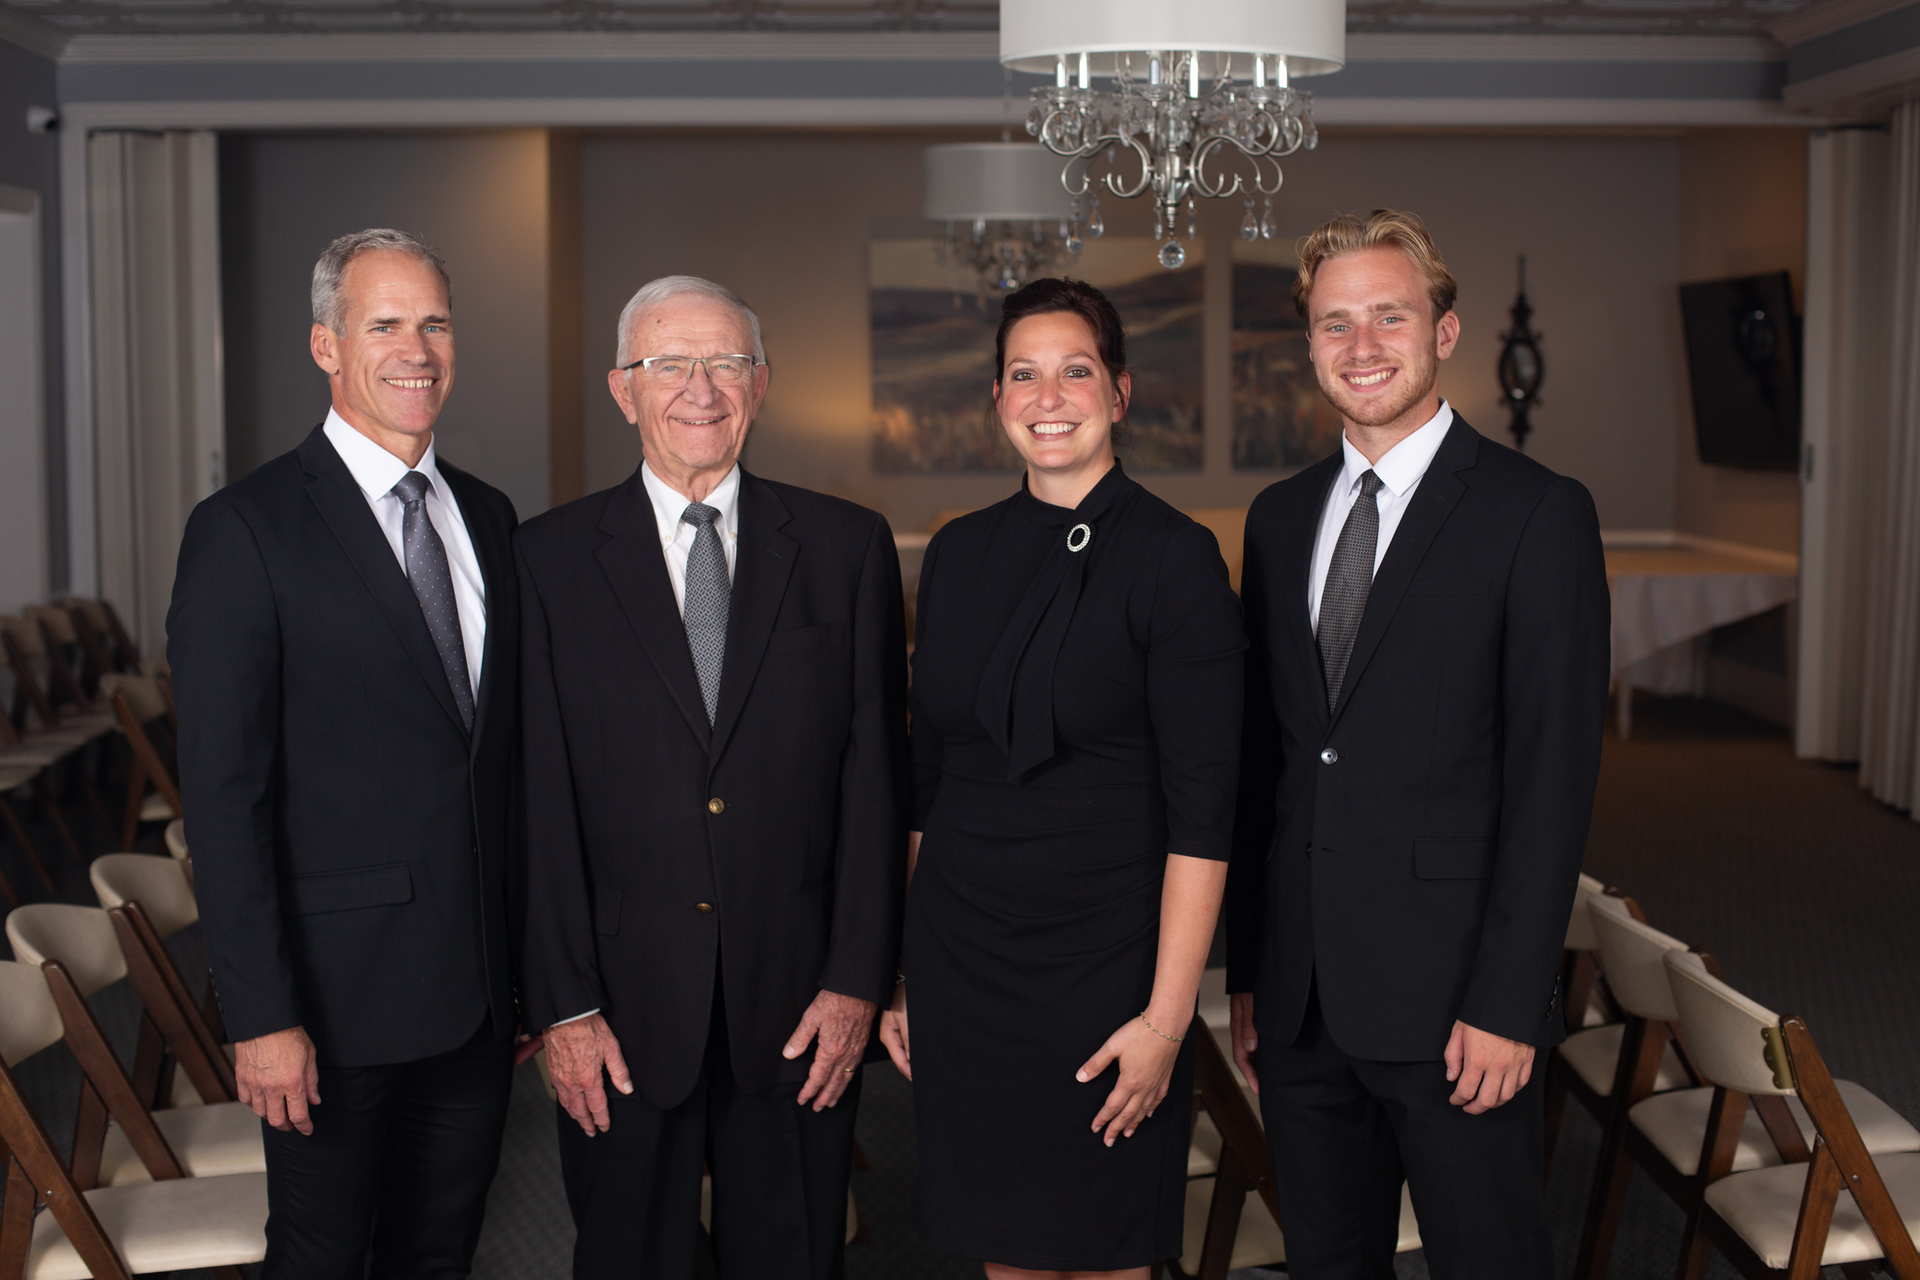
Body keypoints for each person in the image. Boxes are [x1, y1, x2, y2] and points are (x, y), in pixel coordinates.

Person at [1227, 209, 1611, 1279]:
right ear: (1307, 344)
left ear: (1445, 331)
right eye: (1333, 323)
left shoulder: (1538, 515)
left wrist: (1506, 999)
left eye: (1388, 315)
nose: (1361, 346)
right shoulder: (1277, 515)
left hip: (1456, 1005)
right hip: (1301, 1003)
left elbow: (1552, 780)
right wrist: (1253, 971)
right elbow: (1274, 767)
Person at [516, 275, 909, 1280]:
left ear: (762, 383)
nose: (699, 387)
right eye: (668, 364)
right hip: (618, 1009)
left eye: (725, 363)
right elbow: (537, 800)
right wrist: (562, 1004)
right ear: (622, 388)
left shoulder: (845, 546)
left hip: (802, 1002)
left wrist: (859, 978)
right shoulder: (546, 560)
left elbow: (876, 780)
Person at [168, 228, 521, 1277]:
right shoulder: (245, 529)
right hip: (329, 1004)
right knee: (322, 1258)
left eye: (436, 323)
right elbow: (224, 801)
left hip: (478, 996)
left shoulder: (491, 516)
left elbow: (501, 769)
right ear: (326, 345)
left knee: (440, 1252)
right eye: (385, 324)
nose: (417, 349)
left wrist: (535, 973)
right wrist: (262, 1014)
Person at [880, 277, 1245, 1278]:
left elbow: (1205, 813)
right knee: (1006, 1250)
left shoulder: (1177, 558)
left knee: (1106, 1247)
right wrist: (904, 969)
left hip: (1107, 967)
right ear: (997, 398)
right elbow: (930, 774)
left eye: (1075, 369)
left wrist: (1169, 1021)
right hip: (964, 963)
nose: (1050, 394)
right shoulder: (957, 553)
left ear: (1119, 392)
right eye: (1025, 374)